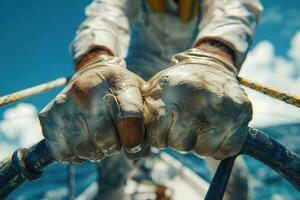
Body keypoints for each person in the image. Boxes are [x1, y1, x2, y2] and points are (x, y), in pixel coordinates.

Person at [39, 0, 263, 199]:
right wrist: (93, 63)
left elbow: (233, 6)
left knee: (231, 168)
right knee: (112, 170)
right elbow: (107, 13)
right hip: (139, 72)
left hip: (198, 70)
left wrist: (214, 58)